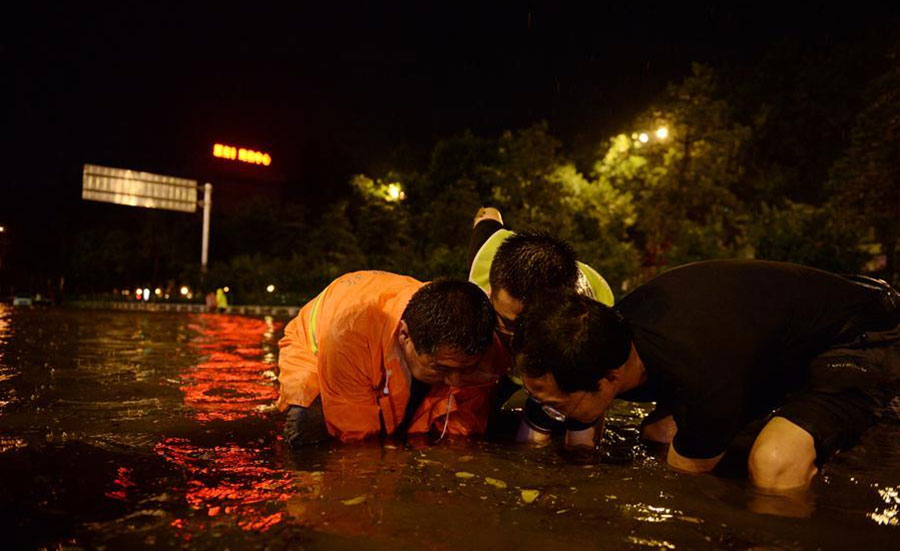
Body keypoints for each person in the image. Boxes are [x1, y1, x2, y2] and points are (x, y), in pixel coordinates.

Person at [513, 259, 900, 491]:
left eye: (556, 403)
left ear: (607, 379)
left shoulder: (700, 370)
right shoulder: (602, 340)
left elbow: (683, 490)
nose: (553, 412)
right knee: (658, 435)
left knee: (774, 462)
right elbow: (582, 430)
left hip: (864, 333)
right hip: (772, 349)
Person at [277, 271, 506, 446]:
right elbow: (356, 438)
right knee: (306, 423)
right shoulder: (349, 334)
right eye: (442, 369)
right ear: (405, 335)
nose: (455, 381)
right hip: (318, 348)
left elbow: (464, 429)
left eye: (466, 369)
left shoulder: (480, 339)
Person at [467, 207, 614, 451]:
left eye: (528, 327)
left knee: (577, 442)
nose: (519, 338)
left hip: (561, 352)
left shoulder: (596, 312)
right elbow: (487, 215)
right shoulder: (482, 264)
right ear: (491, 292)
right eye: (509, 323)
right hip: (501, 354)